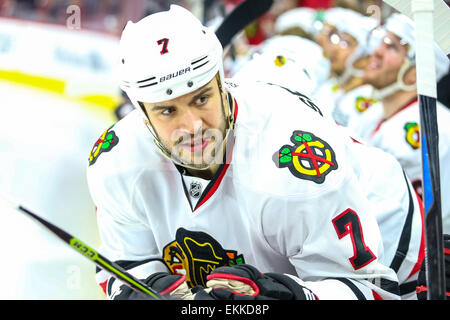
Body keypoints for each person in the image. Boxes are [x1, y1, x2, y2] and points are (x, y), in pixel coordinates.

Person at [87, 5, 420, 300]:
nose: (193, 128)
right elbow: (127, 266)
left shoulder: (292, 165)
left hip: (383, 228)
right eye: (167, 111)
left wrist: (285, 294)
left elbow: (366, 289)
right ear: (141, 112)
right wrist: (143, 290)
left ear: (221, 82)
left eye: (201, 99)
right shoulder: (115, 161)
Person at [357, 13, 450, 235]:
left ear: (414, 74)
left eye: (392, 47)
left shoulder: (424, 129)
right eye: (382, 41)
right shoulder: (373, 114)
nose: (377, 50)